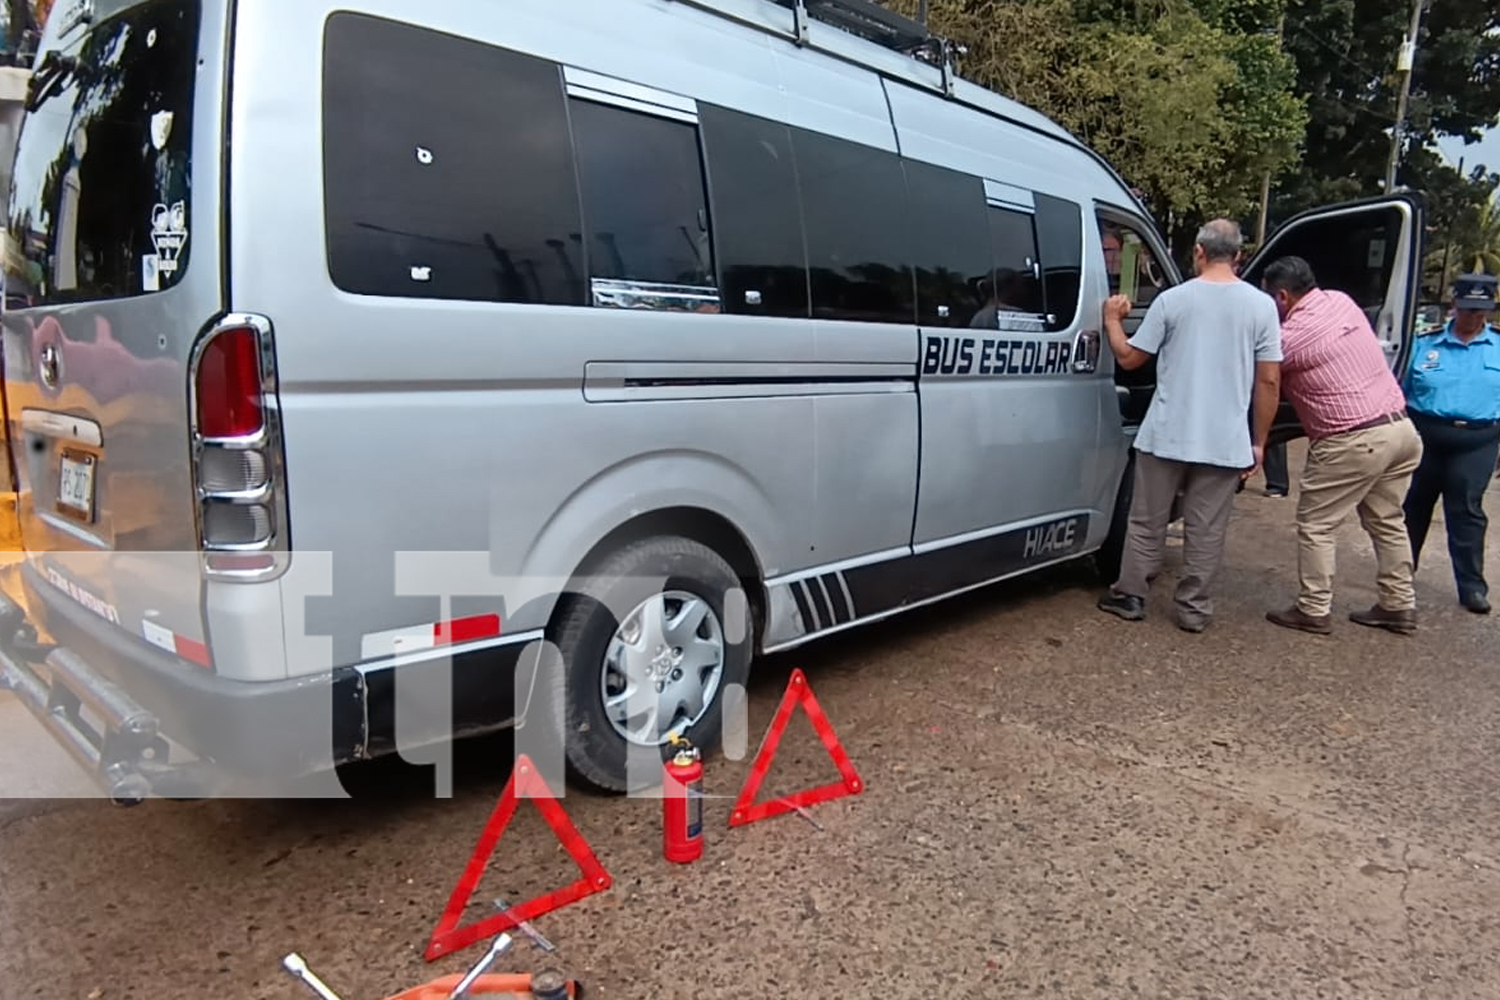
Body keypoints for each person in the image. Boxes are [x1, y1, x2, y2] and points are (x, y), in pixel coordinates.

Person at [1096, 219, 1283, 632]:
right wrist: (1259, 442)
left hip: (1167, 433)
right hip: (1223, 441)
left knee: (1147, 519)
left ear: (1198, 251)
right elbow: (1269, 380)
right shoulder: (1262, 306)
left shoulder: (1173, 301)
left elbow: (1130, 359)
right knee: (1207, 529)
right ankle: (1193, 610)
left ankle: (1130, 594)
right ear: (1238, 256)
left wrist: (1112, 318)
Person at [1257, 256, 1424, 635]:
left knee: (1317, 523)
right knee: (1387, 520)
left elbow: (1264, 377)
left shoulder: (1290, 338)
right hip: (1400, 431)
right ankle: (1399, 604)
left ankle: (1313, 608)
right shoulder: (1340, 301)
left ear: (1282, 296)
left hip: (1352, 438)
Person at [1401, 273, 1500, 615]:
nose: (1475, 317)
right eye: (1469, 308)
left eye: (1482, 310)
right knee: (1413, 506)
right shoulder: (1423, 343)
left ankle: (1472, 587)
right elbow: (1399, 390)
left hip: (1478, 439)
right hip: (1425, 434)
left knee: (1467, 512)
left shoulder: (1498, 346)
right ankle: (1399, 578)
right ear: (1454, 305)